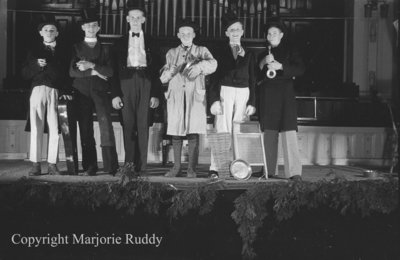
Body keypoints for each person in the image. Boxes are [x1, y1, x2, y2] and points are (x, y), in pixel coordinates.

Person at [160, 20, 217, 178]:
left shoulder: (202, 50)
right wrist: (170, 72)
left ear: (194, 35)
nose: (186, 36)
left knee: (193, 133)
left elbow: (213, 64)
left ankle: (192, 169)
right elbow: (163, 79)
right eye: (182, 33)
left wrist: (199, 67)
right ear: (178, 35)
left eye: (189, 33)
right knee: (176, 133)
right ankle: (176, 168)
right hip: (177, 95)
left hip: (195, 96)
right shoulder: (171, 53)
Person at [111, 0, 161, 177]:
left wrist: (155, 94)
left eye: (138, 17)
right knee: (128, 124)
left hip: (146, 82)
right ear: (127, 19)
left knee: (143, 124)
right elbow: (113, 72)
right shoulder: (119, 43)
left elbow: (158, 72)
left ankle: (143, 166)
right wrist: (116, 94)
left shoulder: (153, 42)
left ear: (143, 20)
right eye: (132, 17)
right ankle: (129, 165)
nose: (135, 20)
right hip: (126, 83)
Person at [69, 9, 119, 176]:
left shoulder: (105, 48)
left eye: (94, 25)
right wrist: (96, 72)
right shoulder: (76, 47)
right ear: (83, 27)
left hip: (101, 92)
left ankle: (111, 166)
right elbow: (72, 72)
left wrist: (92, 66)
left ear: (98, 28)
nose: (91, 28)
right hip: (81, 92)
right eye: (88, 25)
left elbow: (110, 72)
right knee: (85, 128)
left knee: (106, 126)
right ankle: (90, 166)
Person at [208, 12, 256, 177]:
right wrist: (214, 100)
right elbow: (214, 77)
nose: (235, 32)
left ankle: (239, 169)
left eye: (238, 29)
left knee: (239, 130)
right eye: (231, 30)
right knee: (222, 128)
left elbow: (253, 79)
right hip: (225, 91)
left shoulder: (249, 53)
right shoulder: (219, 52)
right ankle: (217, 168)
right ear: (226, 33)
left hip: (243, 93)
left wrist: (252, 102)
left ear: (242, 31)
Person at [22, 16, 71, 176]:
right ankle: (35, 164)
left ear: (57, 33)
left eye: (52, 30)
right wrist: (36, 66)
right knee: (36, 127)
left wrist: (64, 91)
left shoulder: (64, 52)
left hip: (55, 91)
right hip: (37, 91)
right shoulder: (33, 51)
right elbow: (24, 74)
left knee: (55, 127)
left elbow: (67, 75)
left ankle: (52, 164)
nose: (49, 32)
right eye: (46, 30)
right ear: (40, 33)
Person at [257, 19, 305, 180]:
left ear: (282, 35)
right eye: (269, 33)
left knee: (288, 132)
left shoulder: (291, 51)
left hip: (285, 94)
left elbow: (300, 69)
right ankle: (269, 170)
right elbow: (256, 76)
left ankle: (294, 172)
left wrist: (281, 66)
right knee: (269, 134)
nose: (271, 36)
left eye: (274, 33)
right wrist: (264, 62)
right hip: (268, 95)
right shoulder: (264, 53)